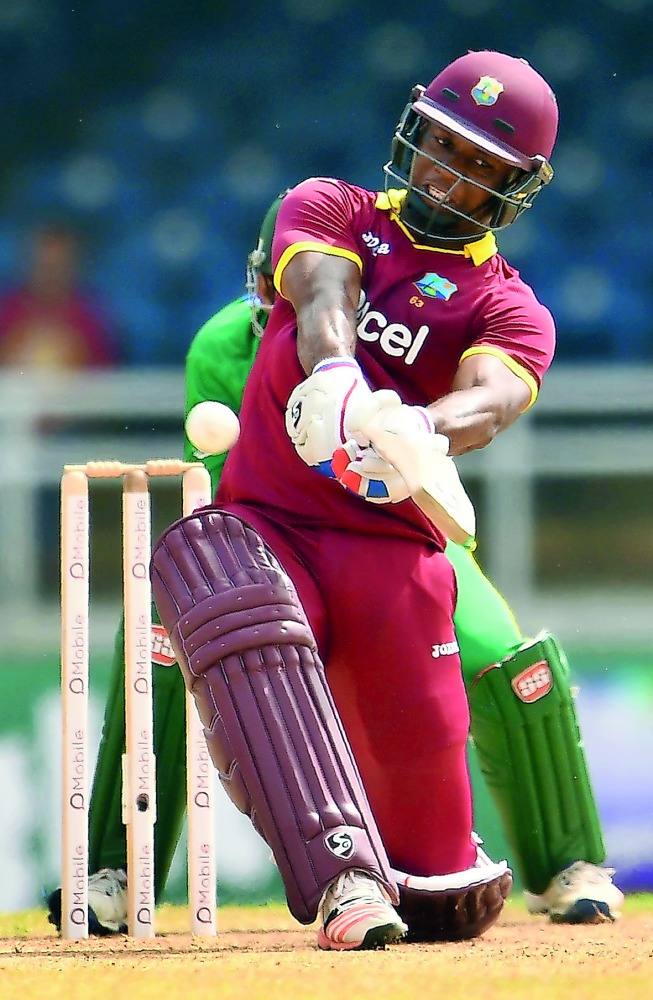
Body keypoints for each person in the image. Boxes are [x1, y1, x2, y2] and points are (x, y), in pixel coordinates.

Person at [48, 52, 622, 938]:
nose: (445, 171)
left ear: (514, 188)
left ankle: (564, 862)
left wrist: (423, 428)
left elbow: (496, 395)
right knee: (183, 621)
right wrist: (338, 377)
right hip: (268, 521)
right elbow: (322, 298)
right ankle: (117, 872)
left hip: (400, 531)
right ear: (411, 133)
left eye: (477, 164)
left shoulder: (510, 305)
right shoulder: (321, 226)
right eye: (438, 145)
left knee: (506, 655)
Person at [0, 222, 118, 369]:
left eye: (59, 267)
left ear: (75, 267)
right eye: (45, 267)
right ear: (28, 264)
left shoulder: (93, 319)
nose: (51, 276)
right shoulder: (5, 313)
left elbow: (107, 380)